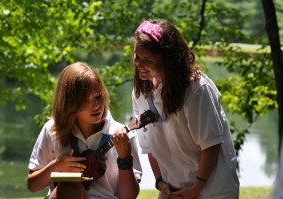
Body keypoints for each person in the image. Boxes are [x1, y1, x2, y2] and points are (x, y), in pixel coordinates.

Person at [132, 18, 239, 199]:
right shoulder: (141, 92)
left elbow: (210, 145)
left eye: (148, 59)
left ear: (168, 58)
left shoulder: (196, 89)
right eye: (136, 56)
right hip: (173, 189)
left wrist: (195, 189)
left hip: (211, 190)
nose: (139, 64)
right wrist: (160, 181)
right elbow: (150, 146)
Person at [27, 62, 142, 199]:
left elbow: (129, 197)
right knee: (68, 185)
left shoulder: (121, 135)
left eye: (98, 97)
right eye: (85, 101)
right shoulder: (52, 129)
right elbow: (33, 186)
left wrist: (125, 158)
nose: (96, 105)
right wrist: (56, 165)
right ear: (69, 103)